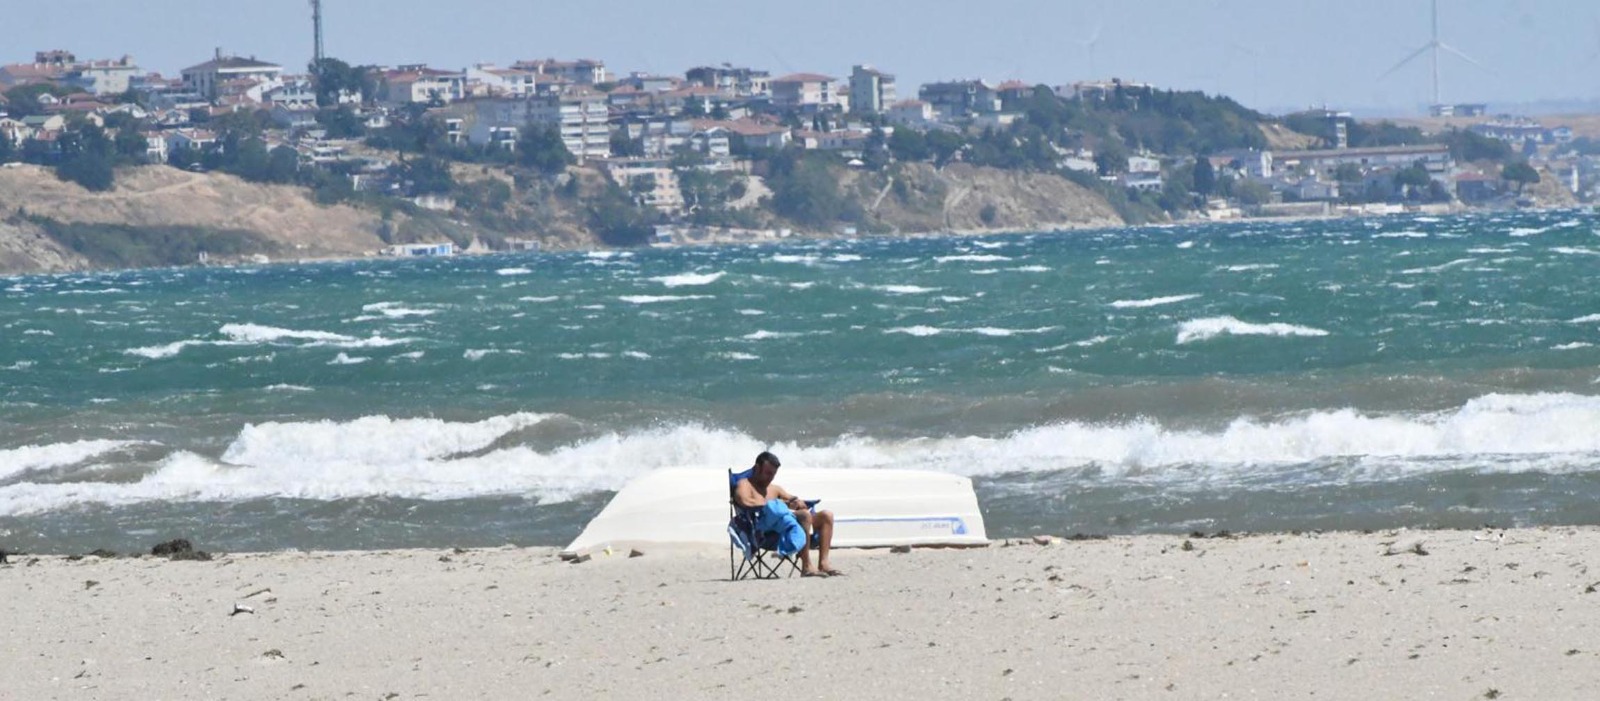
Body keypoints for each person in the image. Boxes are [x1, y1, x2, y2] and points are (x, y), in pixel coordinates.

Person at [732, 451, 842, 577]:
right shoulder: (745, 484)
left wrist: (795, 503)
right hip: (763, 533)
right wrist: (774, 504)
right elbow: (744, 501)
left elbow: (794, 500)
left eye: (773, 474)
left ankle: (824, 563)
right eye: (768, 473)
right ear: (757, 468)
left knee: (826, 515)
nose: (770, 477)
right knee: (804, 516)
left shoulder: (774, 488)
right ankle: (806, 566)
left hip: (786, 527)